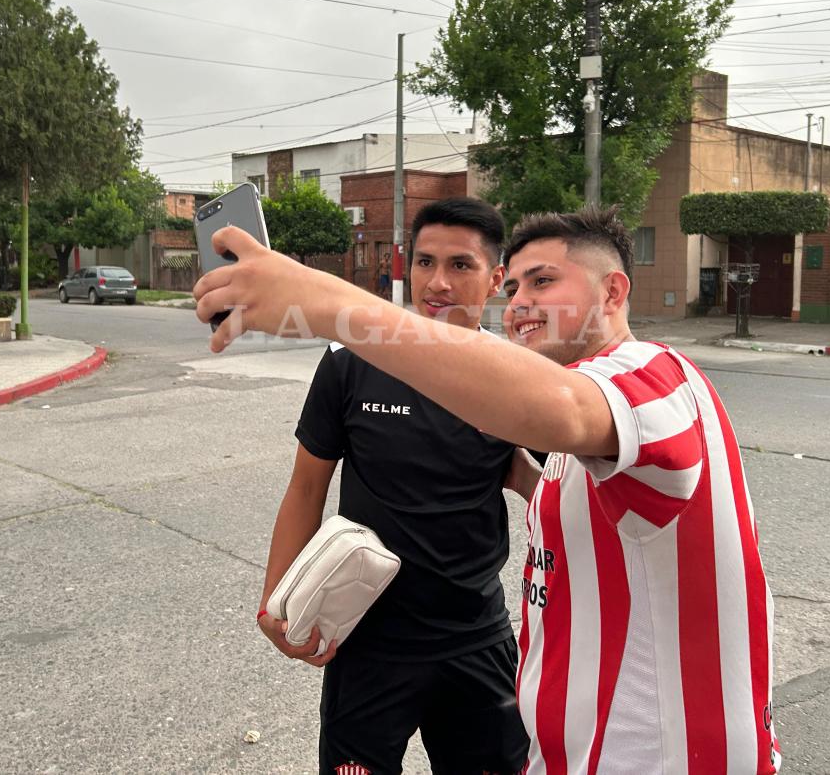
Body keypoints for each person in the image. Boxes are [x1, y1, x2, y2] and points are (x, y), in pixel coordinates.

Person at [195, 206, 779, 774]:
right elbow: (558, 481)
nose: (522, 301)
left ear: (612, 292)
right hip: (388, 645)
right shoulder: (362, 372)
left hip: (624, 735)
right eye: (520, 287)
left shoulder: (646, 381)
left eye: (544, 281)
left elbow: (562, 407)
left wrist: (323, 303)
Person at [256, 197, 532, 775]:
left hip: (476, 637)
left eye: (461, 266)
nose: (438, 283)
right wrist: (273, 601)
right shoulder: (351, 360)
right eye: (426, 262)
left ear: (496, 278)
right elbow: (306, 486)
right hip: (366, 638)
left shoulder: (519, 377)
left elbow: (558, 494)